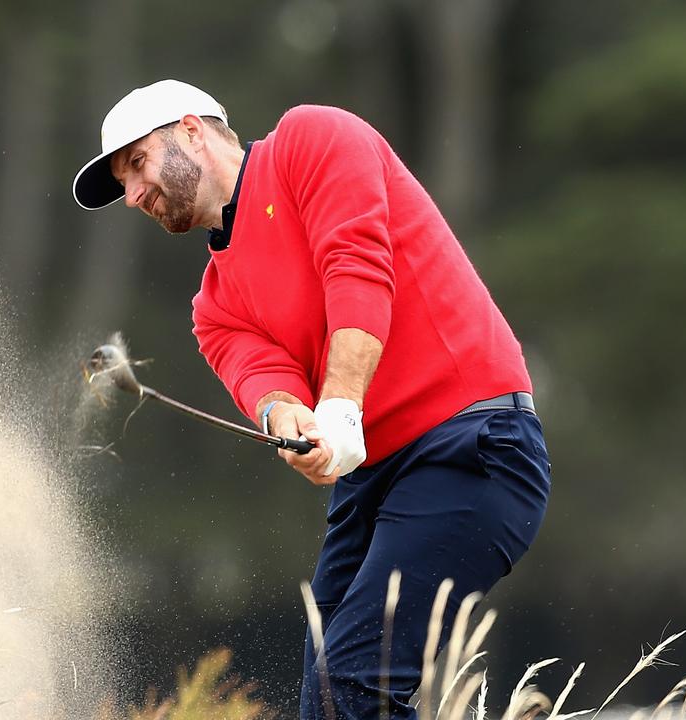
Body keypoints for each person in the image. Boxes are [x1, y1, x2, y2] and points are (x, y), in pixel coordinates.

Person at [71, 79, 551, 719]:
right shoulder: (214, 309)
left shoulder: (312, 138)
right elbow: (265, 386)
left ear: (191, 131)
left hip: (473, 445)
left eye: (137, 165)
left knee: (351, 683)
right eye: (124, 184)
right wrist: (288, 420)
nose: (132, 195)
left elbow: (356, 266)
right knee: (328, 697)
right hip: (376, 478)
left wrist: (341, 407)